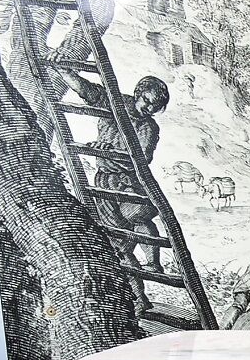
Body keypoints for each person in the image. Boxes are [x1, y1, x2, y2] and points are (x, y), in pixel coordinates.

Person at [57, 71, 170, 313]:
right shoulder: (116, 102)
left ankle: (153, 263)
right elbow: (88, 91)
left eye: (155, 106)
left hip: (130, 182)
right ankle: (139, 299)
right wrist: (63, 71)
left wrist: (109, 152)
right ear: (138, 93)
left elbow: (142, 157)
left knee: (137, 216)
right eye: (147, 101)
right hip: (104, 183)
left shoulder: (148, 126)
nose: (149, 108)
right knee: (116, 245)